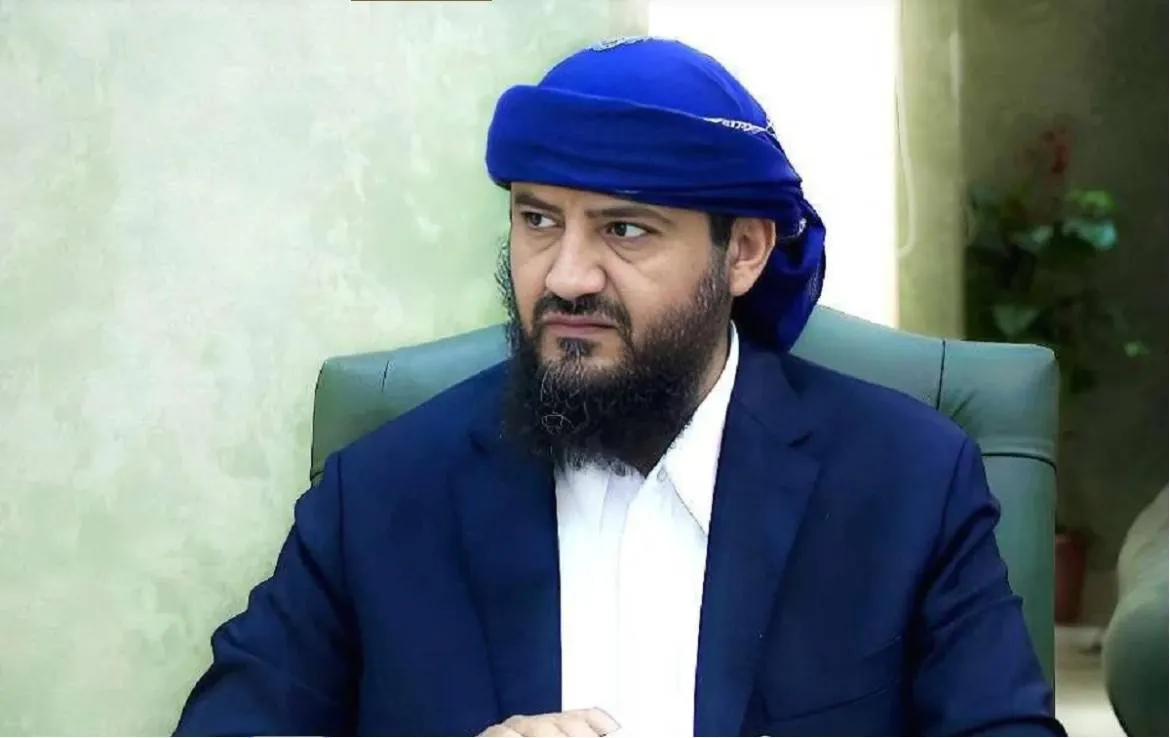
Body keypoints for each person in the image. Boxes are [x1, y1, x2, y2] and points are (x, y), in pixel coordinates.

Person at [174, 37, 1064, 737]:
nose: (566, 276)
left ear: (744, 252)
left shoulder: (906, 484)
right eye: (537, 220)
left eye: (625, 230)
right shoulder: (381, 495)